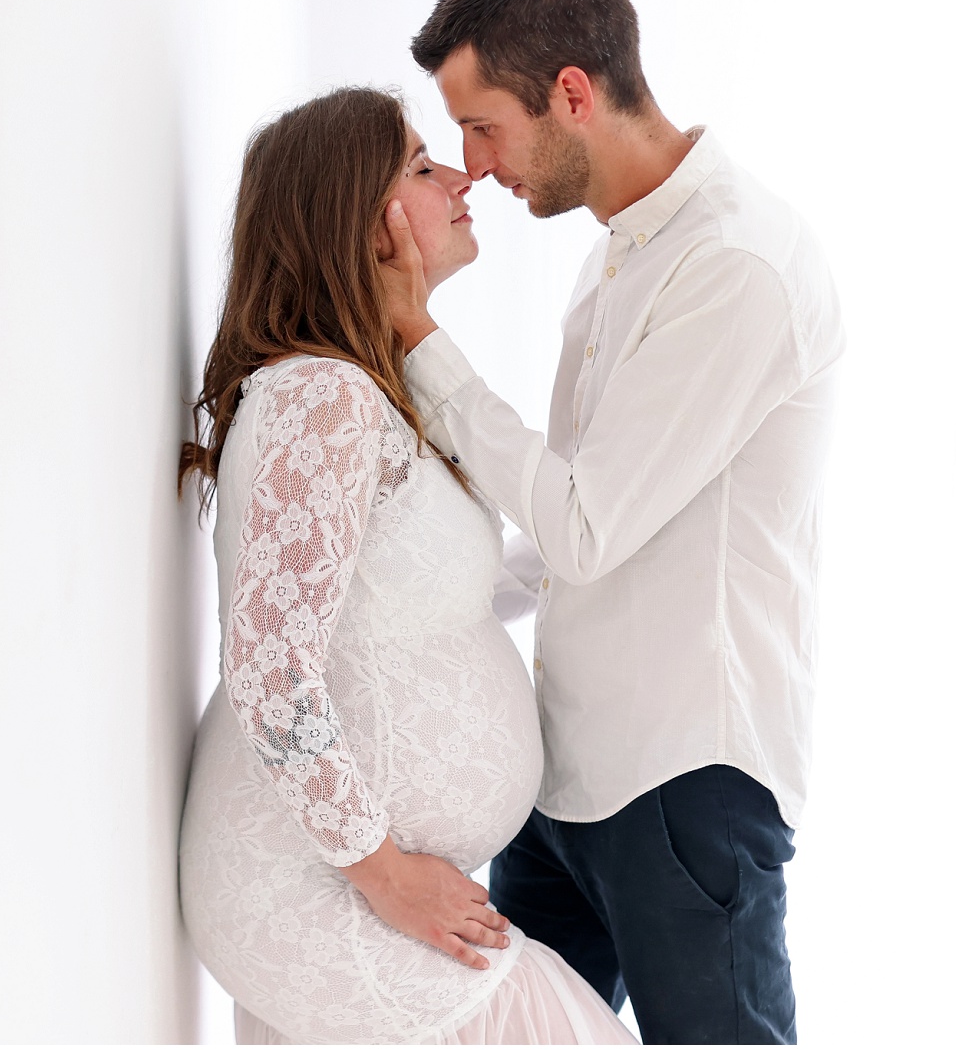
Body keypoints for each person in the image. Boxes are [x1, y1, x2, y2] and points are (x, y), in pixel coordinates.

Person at [377, 0, 845, 1045]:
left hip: (682, 783)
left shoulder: (736, 265)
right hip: (564, 777)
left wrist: (419, 345)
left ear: (572, 94)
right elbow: (576, 520)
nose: (472, 167)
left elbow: (580, 522)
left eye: (482, 126)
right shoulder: (619, 255)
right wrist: (409, 613)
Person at [178, 87, 636, 1045]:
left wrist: (601, 549)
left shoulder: (366, 395)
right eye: (422, 166)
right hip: (312, 881)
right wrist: (383, 871)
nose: (463, 175)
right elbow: (269, 669)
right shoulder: (320, 398)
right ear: (359, 218)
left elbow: (423, 598)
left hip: (337, 869)